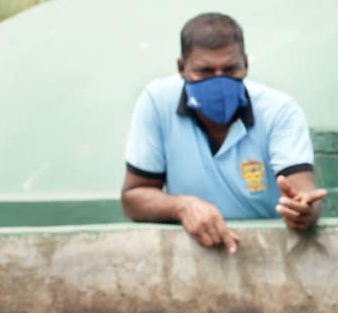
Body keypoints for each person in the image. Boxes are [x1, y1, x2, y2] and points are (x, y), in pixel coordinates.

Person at [122, 13, 326, 252]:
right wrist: (182, 206)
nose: (219, 82)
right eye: (205, 71)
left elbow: (304, 193)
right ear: (181, 68)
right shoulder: (157, 102)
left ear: (246, 65)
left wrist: (303, 211)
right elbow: (133, 197)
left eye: (230, 69)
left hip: (270, 252)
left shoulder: (279, 111)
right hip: (190, 254)